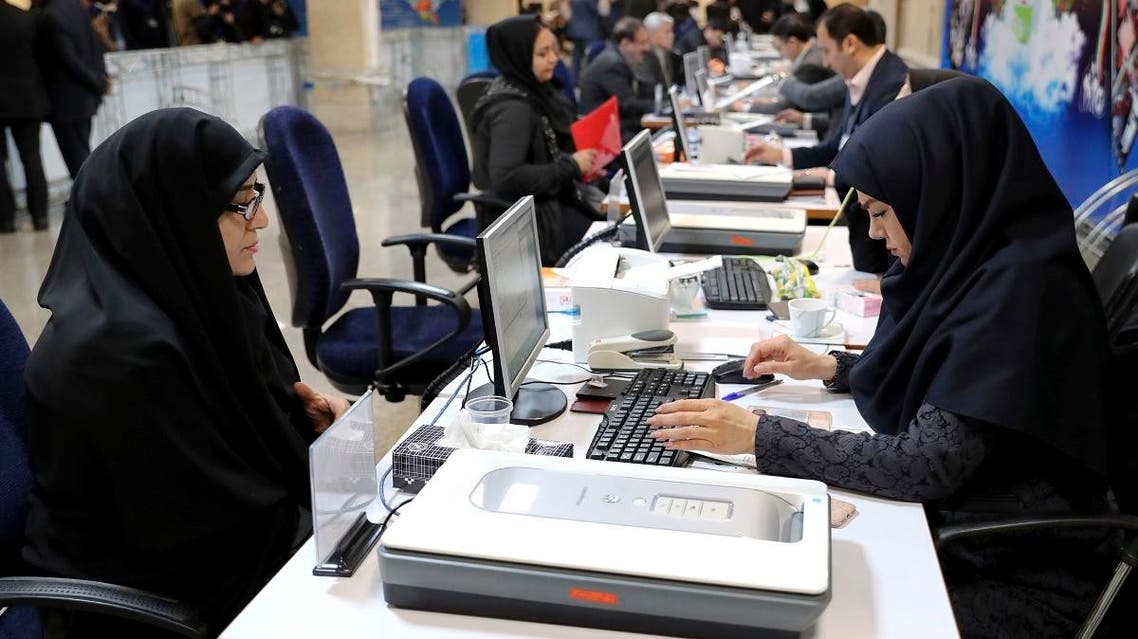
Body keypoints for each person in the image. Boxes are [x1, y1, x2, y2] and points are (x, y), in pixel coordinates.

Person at [648, 78, 1118, 638]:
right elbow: (951, 382)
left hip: (1014, 568)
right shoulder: (983, 258)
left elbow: (925, 463)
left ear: (934, 192)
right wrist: (831, 368)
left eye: (881, 212)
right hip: (966, 528)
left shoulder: (1022, 294)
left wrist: (758, 435)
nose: (875, 233)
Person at [22, 108, 349, 636]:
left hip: (232, 560)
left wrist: (313, 433)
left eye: (257, 194)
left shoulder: (211, 300)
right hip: (152, 602)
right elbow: (201, 536)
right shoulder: (115, 359)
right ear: (173, 213)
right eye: (239, 204)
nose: (260, 220)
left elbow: (247, 461)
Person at [746, 3, 906, 275]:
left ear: (850, 44)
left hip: (881, 241)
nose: (825, 62)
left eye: (826, 50)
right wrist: (784, 157)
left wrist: (827, 177)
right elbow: (840, 146)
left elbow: (881, 167)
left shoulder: (893, 84)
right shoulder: (860, 79)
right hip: (857, 222)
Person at [471, 16, 601, 266]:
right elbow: (506, 177)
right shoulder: (513, 110)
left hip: (545, 204)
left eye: (554, 49)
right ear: (518, 55)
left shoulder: (535, 90)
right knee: (611, 244)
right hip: (531, 220)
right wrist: (570, 167)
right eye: (543, 53)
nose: (554, 58)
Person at [37, 0, 111, 180]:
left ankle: (92, 202)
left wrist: (97, 81)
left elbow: (70, 60)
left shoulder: (49, 15)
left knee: (78, 162)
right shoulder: (77, 9)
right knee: (83, 155)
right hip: (85, 98)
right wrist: (100, 80)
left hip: (66, 103)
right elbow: (94, 48)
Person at [0, 0, 51, 232]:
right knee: (32, 159)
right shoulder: (24, 18)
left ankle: (6, 220)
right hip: (27, 98)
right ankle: (40, 217)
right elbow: (41, 57)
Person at [578, 16, 655, 142]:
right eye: (642, 43)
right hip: (601, 132)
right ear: (625, 44)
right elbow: (627, 104)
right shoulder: (614, 64)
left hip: (615, 124)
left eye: (647, 42)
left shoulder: (619, 57)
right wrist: (659, 107)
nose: (647, 48)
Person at [638, 10, 678, 89]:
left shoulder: (666, 53)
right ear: (653, 35)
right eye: (667, 32)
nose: (672, 35)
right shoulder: (645, 57)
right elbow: (651, 92)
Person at [567, 0, 604, 80]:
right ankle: (590, 81)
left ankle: (573, 81)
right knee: (591, 58)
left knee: (576, 59)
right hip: (589, 32)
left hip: (576, 31)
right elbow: (598, 10)